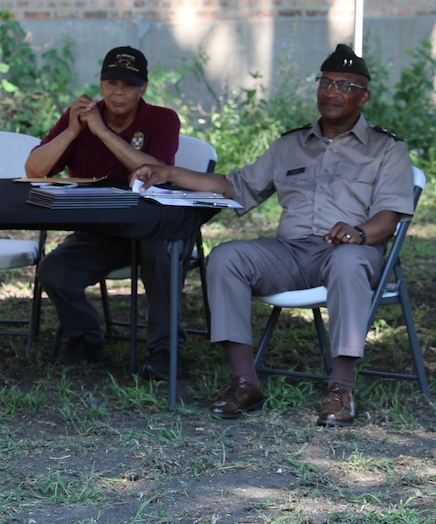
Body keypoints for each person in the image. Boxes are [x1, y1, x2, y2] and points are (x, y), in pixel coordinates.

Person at [132, 44, 413, 428]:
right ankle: (244, 382)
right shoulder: (290, 144)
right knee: (227, 257)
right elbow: (235, 186)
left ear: (363, 97)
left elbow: (390, 216)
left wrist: (360, 233)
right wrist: (169, 173)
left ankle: (341, 388)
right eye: (326, 82)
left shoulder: (387, 149)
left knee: (348, 263)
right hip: (290, 253)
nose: (332, 92)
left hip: (350, 252)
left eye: (345, 86)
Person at [25, 46, 182, 376]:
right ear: (101, 85)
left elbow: (157, 171)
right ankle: (86, 339)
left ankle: (165, 350)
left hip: (148, 229)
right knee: (53, 270)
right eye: (111, 83)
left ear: (143, 89)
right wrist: (71, 131)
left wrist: (101, 132)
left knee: (162, 256)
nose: (118, 91)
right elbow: (34, 170)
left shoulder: (162, 119)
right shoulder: (81, 117)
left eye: (127, 85)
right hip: (99, 232)